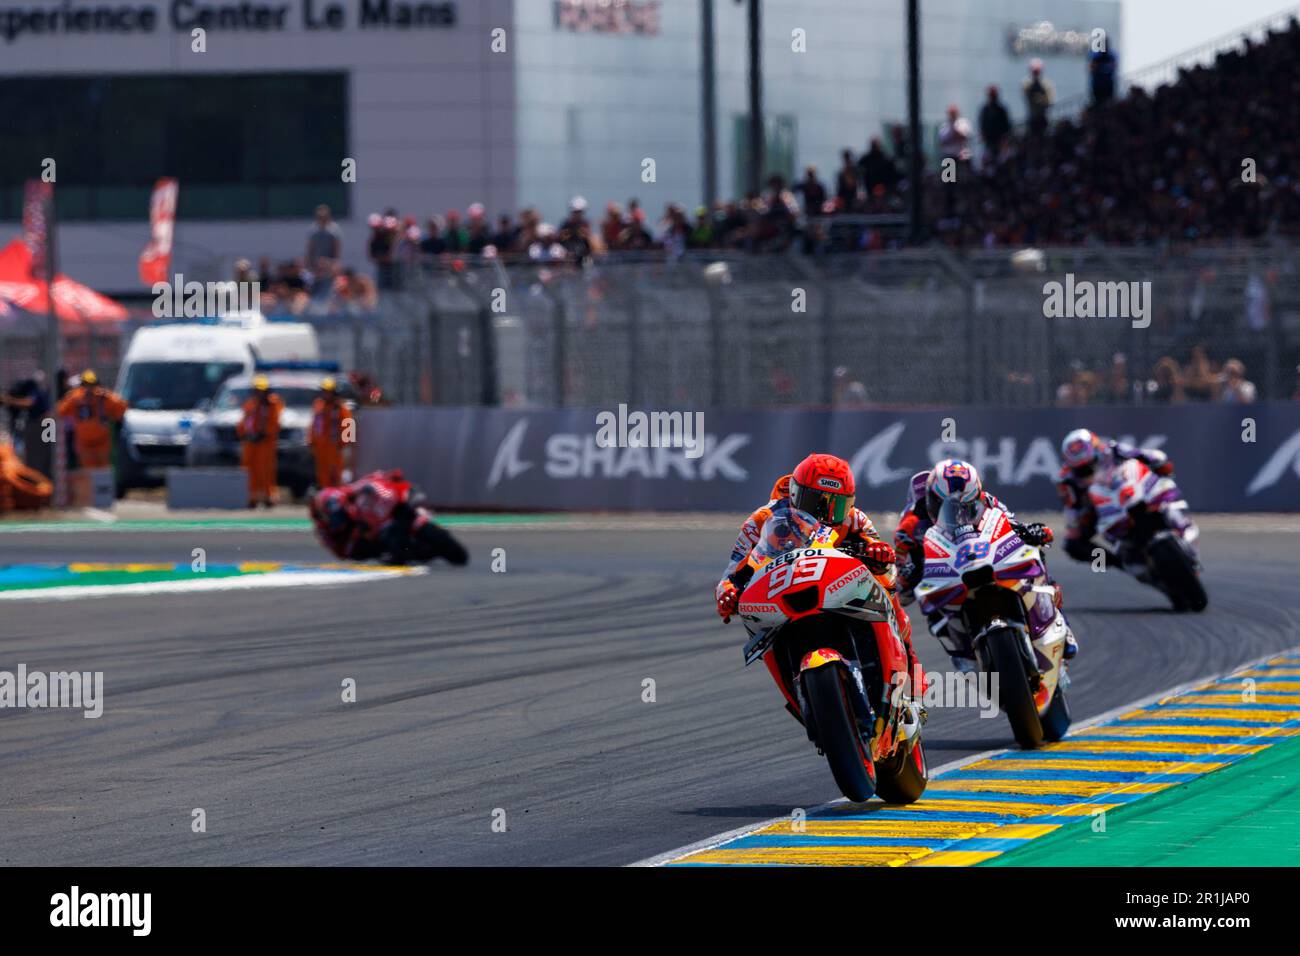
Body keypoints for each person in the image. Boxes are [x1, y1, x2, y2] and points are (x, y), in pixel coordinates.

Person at [713, 453, 920, 676]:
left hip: (839, 584)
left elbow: (880, 549)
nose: (824, 514)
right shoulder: (762, 519)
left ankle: (913, 672)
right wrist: (728, 593)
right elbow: (732, 572)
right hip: (786, 584)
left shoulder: (855, 518)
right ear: (795, 494)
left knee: (889, 585)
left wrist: (879, 554)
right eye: (816, 503)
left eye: (836, 506)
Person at [894, 461, 1061, 668]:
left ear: (977, 495)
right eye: (944, 504)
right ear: (930, 500)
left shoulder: (987, 500)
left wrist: (1029, 532)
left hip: (983, 557)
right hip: (945, 575)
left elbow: (1010, 523)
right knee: (925, 603)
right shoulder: (909, 526)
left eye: (966, 503)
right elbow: (899, 582)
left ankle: (1057, 618)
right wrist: (910, 573)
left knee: (1033, 552)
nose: (956, 511)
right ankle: (963, 652)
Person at [1056, 428, 1173, 569]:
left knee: (1161, 488)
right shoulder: (1066, 480)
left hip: (1127, 492)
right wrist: (1078, 521)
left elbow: (1147, 456)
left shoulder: (1113, 449)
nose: (1089, 469)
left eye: (1091, 463)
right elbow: (1071, 510)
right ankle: (1117, 564)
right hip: (1099, 511)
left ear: (1096, 449)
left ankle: (1177, 523)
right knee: (1071, 545)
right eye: (1082, 469)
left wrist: (1160, 464)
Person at [54, 370, 127, 470]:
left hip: (102, 443)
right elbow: (60, 411)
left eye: (91, 384)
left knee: (104, 471)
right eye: (86, 384)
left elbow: (121, 408)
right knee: (89, 474)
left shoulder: (104, 397)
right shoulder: (75, 398)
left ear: (96, 384)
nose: (89, 387)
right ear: (82, 385)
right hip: (84, 444)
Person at [236, 375, 283, 508]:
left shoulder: (272, 405)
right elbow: (244, 422)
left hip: (265, 444)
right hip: (250, 444)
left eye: (262, 390)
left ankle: (269, 497)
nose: (259, 393)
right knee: (249, 470)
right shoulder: (250, 404)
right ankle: (252, 498)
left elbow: (274, 423)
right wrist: (243, 434)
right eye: (257, 390)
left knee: (266, 470)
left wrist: (264, 434)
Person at [3, 370, 52, 479]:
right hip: (39, 429)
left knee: (44, 459)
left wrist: (9, 400)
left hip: (45, 427)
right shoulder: (37, 391)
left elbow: (29, 402)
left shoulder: (39, 392)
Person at [309, 377, 354, 491]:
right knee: (321, 475)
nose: (325, 395)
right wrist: (311, 440)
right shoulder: (318, 405)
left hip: (335, 449)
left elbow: (349, 426)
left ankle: (335, 496)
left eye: (328, 392)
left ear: (334, 392)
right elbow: (313, 425)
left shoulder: (341, 409)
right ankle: (324, 495)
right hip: (320, 448)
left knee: (335, 475)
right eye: (324, 391)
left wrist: (344, 445)